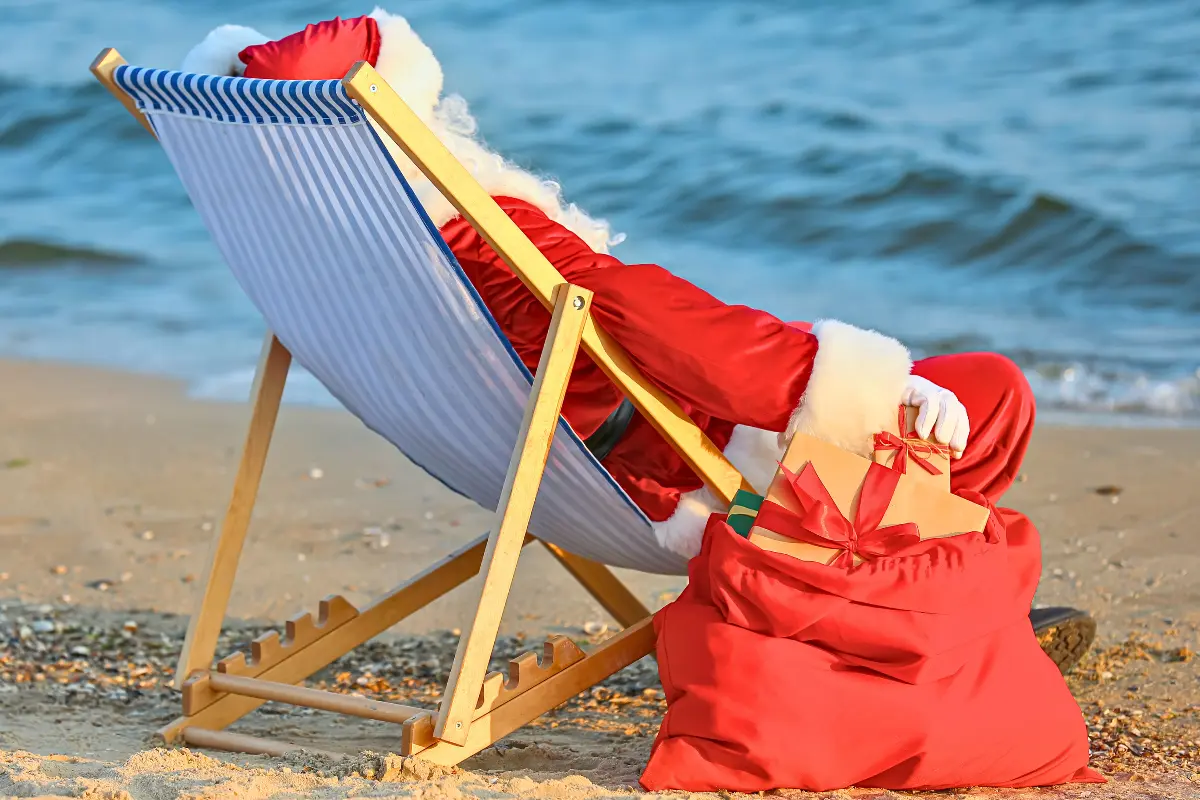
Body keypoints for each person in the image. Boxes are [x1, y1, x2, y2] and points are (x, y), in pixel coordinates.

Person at [181, 10, 1095, 671]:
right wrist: (858, 381)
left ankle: (906, 591)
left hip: (538, 462)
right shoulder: (471, 225)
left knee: (947, 399)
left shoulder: (337, 241)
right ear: (402, 105)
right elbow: (637, 312)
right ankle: (908, 601)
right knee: (989, 390)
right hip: (678, 470)